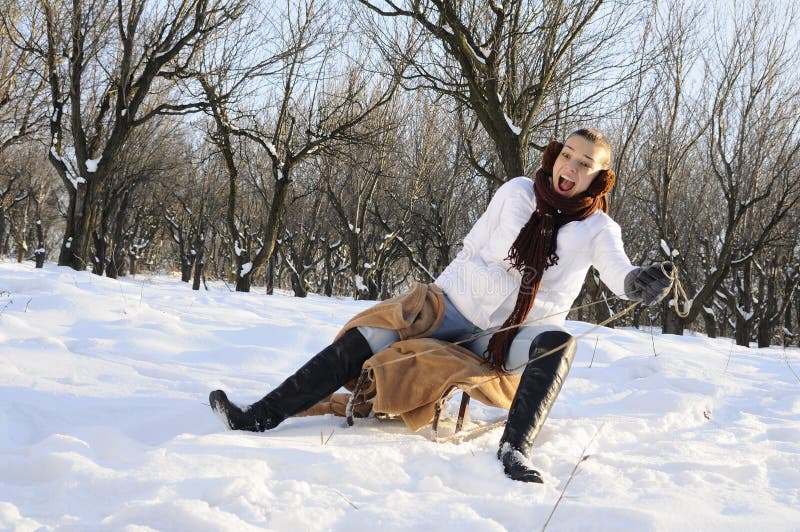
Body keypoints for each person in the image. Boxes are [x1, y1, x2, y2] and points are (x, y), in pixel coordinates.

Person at [209, 128, 673, 483]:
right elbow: (471, 249)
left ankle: (515, 449)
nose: (570, 166)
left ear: (599, 176)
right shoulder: (515, 192)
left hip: (507, 338)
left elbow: (620, 273)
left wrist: (638, 283)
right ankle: (258, 417)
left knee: (558, 342)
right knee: (367, 338)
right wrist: (436, 306)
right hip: (450, 307)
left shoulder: (597, 230)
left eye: (585, 163)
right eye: (567, 155)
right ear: (556, 156)